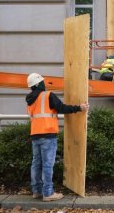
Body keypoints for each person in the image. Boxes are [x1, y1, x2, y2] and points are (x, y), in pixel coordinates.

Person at [25, 73, 89, 202]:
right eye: (42, 82)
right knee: (47, 165)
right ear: (38, 84)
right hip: (48, 135)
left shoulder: (30, 100)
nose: (44, 83)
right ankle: (48, 193)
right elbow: (61, 108)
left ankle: (37, 191)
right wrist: (80, 108)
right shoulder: (48, 95)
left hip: (35, 135)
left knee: (36, 164)